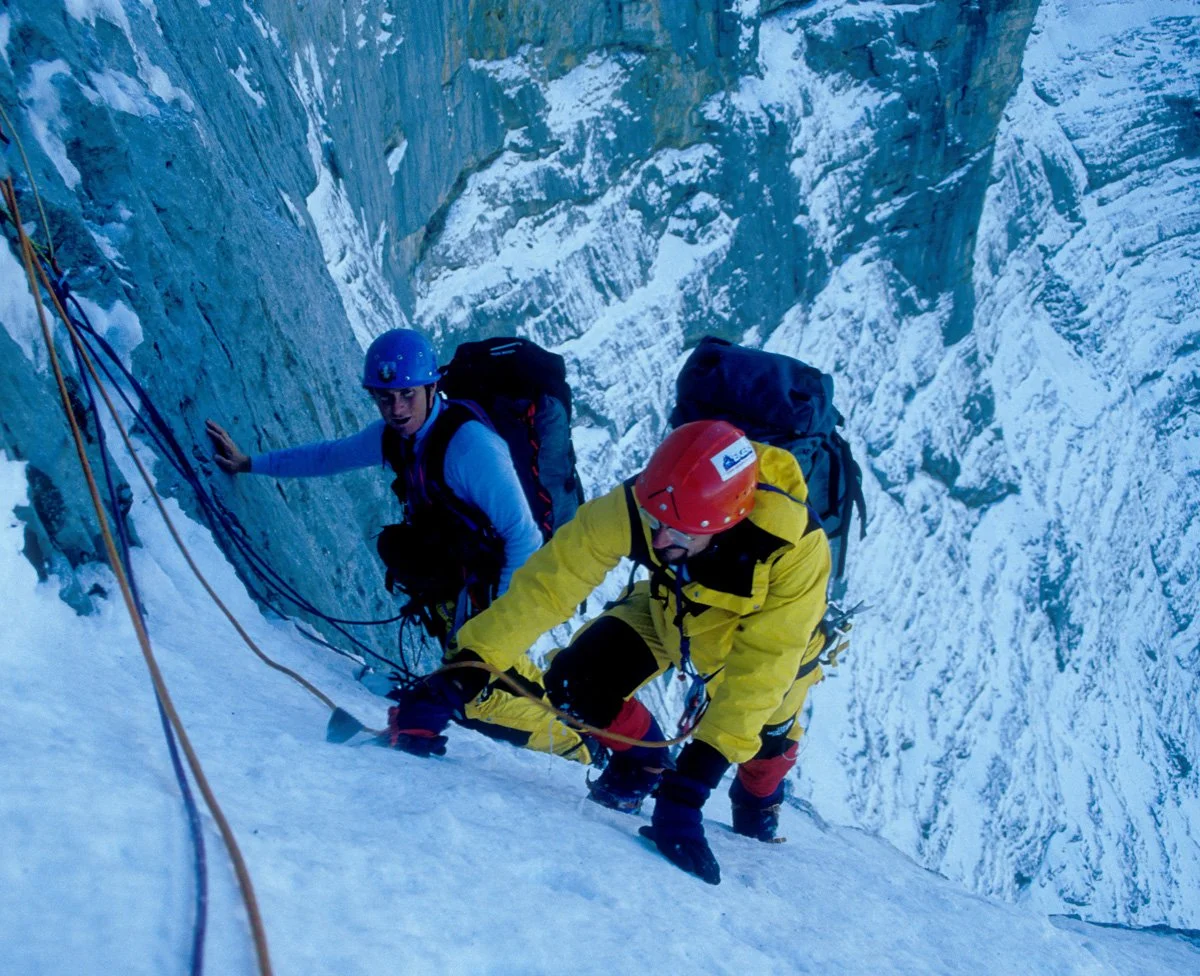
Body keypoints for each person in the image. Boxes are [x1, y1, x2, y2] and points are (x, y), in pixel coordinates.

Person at [386, 419, 832, 884]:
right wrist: (463, 673)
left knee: (760, 764)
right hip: (670, 615)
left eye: (677, 534)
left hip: (772, 669)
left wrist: (692, 791)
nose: (659, 541)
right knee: (575, 683)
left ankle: (759, 810)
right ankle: (646, 764)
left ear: (725, 521)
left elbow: (763, 668)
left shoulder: (793, 549)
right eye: (656, 525)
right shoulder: (648, 500)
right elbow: (549, 585)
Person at [205, 327, 591, 762]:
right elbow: (331, 456)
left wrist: (494, 631)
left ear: (431, 388)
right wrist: (250, 463)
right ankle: (561, 709)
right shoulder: (399, 437)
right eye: (385, 397)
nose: (396, 407)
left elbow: (524, 537)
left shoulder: (470, 447)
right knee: (409, 560)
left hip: (519, 570)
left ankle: (575, 747)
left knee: (474, 693)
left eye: (407, 394)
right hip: (474, 564)